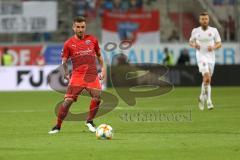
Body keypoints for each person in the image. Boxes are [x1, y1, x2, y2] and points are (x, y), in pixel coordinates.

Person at [49, 16, 105, 134]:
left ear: (85, 27)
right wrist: (65, 72)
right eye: (78, 27)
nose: (81, 29)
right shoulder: (68, 44)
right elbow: (64, 61)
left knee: (97, 96)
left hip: (91, 74)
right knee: (67, 101)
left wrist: (103, 69)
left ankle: (89, 121)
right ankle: (57, 126)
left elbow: (99, 56)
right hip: (77, 75)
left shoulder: (92, 40)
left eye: (83, 27)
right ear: (73, 28)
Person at [189, 12, 222, 110]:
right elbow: (190, 42)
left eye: (206, 19)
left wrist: (213, 47)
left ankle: (201, 97)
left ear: (208, 20)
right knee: (206, 77)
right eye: (202, 19)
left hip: (211, 57)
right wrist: (194, 45)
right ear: (200, 20)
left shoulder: (214, 31)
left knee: (207, 80)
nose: (204, 21)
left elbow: (219, 43)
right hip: (201, 56)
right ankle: (209, 102)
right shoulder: (195, 31)